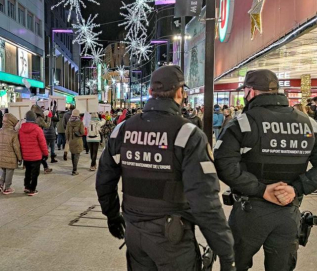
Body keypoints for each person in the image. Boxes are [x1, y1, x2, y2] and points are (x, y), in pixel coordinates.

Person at [96, 65, 235, 271]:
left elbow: (104, 179)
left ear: (151, 92)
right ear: (180, 93)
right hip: (172, 238)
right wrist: (225, 252)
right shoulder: (188, 134)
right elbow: (204, 200)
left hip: (134, 232)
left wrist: (112, 215)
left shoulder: (122, 129)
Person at [214, 69, 317, 271]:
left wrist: (261, 189)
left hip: (249, 211)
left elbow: (224, 165)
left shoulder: (242, 123)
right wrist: (296, 188)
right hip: (288, 210)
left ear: (251, 92)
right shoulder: (309, 124)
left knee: (235, 265)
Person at [19, 111, 49, 196]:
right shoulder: (37, 129)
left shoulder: (21, 129)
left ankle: (27, 187)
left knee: (28, 171)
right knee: (35, 173)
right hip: (36, 156)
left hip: (26, 155)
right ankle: (32, 189)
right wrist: (45, 153)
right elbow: (42, 143)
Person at [0, 113, 22, 195]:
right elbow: (16, 147)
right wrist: (19, 158)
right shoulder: (14, 133)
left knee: (5, 170)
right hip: (11, 157)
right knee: (9, 171)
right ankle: (7, 188)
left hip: (0, 156)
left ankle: (1, 184)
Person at [30, 105, 52, 174]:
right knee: (41, 153)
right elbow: (47, 126)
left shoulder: (29, 118)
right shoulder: (39, 119)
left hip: (30, 137)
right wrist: (49, 118)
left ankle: (43, 167)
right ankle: (44, 168)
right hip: (38, 136)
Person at [66, 109, 84, 176]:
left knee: (73, 154)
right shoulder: (80, 122)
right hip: (78, 140)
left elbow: (66, 132)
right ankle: (74, 170)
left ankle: (74, 168)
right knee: (77, 155)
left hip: (71, 140)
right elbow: (82, 132)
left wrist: (68, 139)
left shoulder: (69, 122)